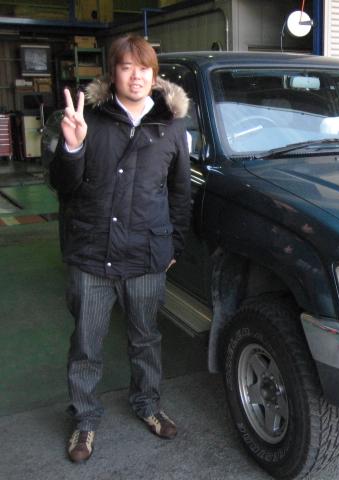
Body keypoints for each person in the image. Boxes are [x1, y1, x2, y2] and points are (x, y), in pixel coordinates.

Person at [49, 34, 191, 463]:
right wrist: (72, 146)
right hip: (92, 254)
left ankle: (148, 404)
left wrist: (173, 244)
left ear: (154, 75)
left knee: (145, 339)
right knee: (86, 344)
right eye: (127, 67)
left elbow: (179, 193)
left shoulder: (171, 126)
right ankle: (85, 419)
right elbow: (63, 186)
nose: (136, 76)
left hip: (145, 255)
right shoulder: (89, 119)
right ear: (113, 74)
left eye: (144, 68)